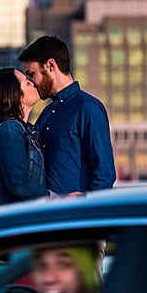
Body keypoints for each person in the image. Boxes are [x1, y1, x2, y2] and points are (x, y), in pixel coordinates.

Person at [19, 36, 115, 195]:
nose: (31, 82)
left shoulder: (88, 108)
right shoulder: (46, 114)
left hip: (74, 216)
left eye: (31, 74)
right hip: (47, 214)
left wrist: (83, 205)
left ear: (50, 65)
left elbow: (105, 174)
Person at [0, 69, 49, 208]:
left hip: (14, 219)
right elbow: (18, 183)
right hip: (4, 221)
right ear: (13, 95)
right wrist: (56, 198)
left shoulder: (26, 130)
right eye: (27, 83)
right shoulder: (9, 128)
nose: (33, 83)